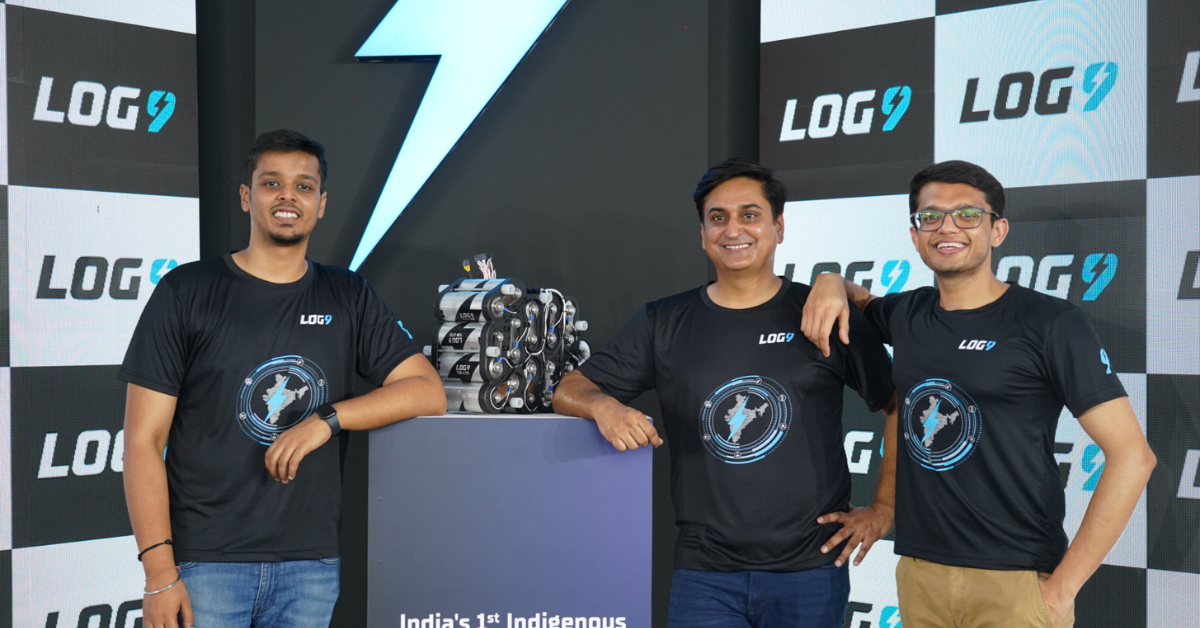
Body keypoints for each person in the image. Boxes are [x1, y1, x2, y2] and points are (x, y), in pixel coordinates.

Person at [801, 160, 1156, 628]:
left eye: (967, 215)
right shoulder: (908, 313)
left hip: (1016, 581)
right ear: (915, 235)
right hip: (921, 575)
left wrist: (1062, 589)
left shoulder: (1050, 322)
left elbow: (1133, 456)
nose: (947, 227)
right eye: (931, 216)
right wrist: (829, 281)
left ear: (998, 230)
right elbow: (860, 301)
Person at [121, 130, 446, 628]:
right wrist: (159, 574)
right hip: (204, 564)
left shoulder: (348, 294)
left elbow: (427, 391)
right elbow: (143, 441)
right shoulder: (186, 291)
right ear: (246, 196)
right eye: (271, 183)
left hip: (310, 568)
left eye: (304, 186)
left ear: (321, 204)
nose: (288, 197)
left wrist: (326, 420)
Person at [553, 157, 898, 628]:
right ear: (703, 234)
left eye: (749, 215)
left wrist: (884, 510)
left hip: (812, 571)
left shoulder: (822, 312)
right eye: (718, 218)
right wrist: (602, 405)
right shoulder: (662, 322)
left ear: (778, 227)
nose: (733, 229)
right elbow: (569, 388)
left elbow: (897, 406)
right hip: (705, 576)